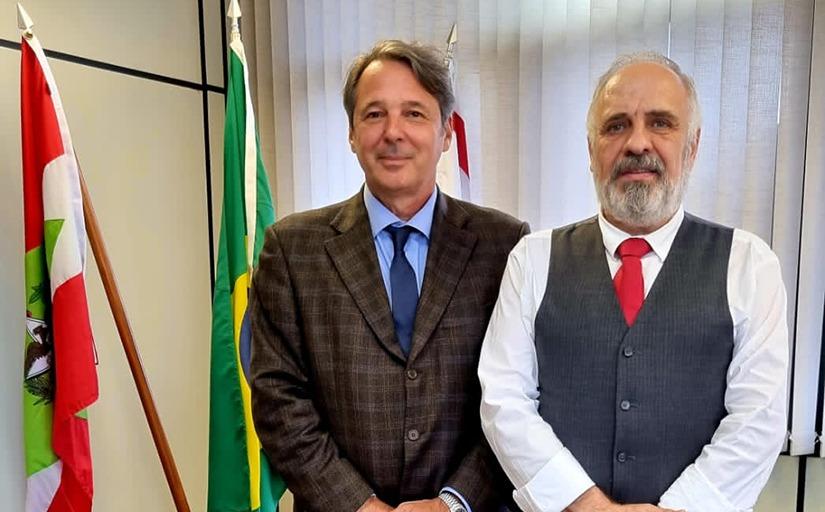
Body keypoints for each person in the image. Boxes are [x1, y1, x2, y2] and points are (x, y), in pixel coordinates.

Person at [478, 52, 788, 512]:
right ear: (591, 150)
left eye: (661, 123)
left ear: (693, 146)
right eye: (616, 125)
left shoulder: (749, 264)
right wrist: (586, 506)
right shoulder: (532, 259)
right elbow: (505, 400)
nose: (637, 143)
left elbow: (757, 419)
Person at [249, 39, 529, 512]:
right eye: (374, 114)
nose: (393, 132)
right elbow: (279, 400)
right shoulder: (292, 249)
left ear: (445, 133)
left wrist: (453, 502)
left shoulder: (503, 245)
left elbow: (519, 393)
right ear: (352, 134)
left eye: (415, 113)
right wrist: (360, 505)